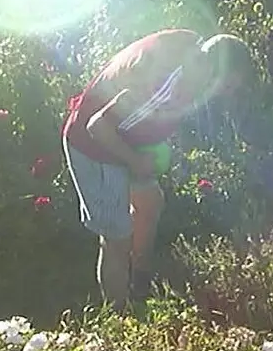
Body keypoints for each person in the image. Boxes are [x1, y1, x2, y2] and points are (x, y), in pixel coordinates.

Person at [62, 29, 251, 307]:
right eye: (227, 87)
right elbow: (97, 127)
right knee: (116, 237)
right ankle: (120, 319)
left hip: (120, 139)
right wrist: (136, 161)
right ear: (215, 71)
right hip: (93, 146)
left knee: (150, 203)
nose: (224, 95)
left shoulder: (191, 50)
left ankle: (140, 280)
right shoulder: (166, 83)